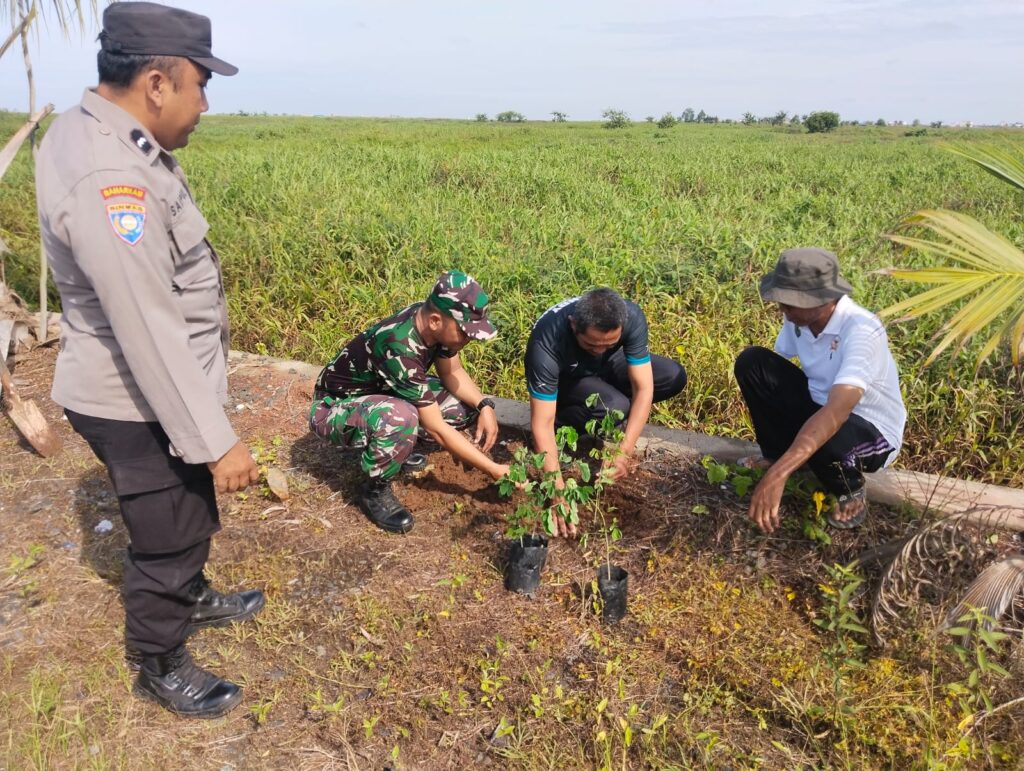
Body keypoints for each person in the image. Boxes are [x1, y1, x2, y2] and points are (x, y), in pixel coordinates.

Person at [35, 2, 262, 718]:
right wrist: (215, 438)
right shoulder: (112, 177)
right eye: (200, 85)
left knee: (184, 504)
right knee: (169, 527)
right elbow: (146, 327)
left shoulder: (106, 138)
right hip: (132, 394)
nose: (205, 104)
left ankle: (190, 596)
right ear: (157, 83)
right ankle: (161, 658)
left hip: (148, 385)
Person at [311, 271, 509, 533]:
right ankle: (374, 489)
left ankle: (397, 448)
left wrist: (484, 405)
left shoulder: (434, 325)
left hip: (383, 392)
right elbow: (437, 428)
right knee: (401, 418)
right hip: (335, 408)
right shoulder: (398, 344)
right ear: (437, 320)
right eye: (465, 332)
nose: (469, 338)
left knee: (461, 408)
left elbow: (452, 372)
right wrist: (493, 469)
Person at [734, 247, 906, 534]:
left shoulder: (862, 331)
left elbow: (837, 412)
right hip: (821, 408)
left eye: (790, 303)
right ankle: (778, 454)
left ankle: (850, 489)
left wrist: (778, 477)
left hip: (870, 431)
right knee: (753, 363)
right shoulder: (799, 319)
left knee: (827, 431)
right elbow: (777, 368)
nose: (782, 310)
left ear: (824, 300)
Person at [524, 288, 687, 536]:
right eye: (591, 343)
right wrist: (557, 492)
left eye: (608, 343)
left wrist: (624, 451)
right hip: (569, 377)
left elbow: (644, 389)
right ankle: (569, 415)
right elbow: (541, 424)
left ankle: (605, 397)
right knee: (615, 408)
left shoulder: (630, 316)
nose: (599, 348)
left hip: (605, 367)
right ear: (573, 325)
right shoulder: (546, 344)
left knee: (672, 376)